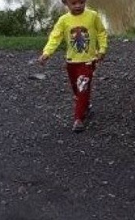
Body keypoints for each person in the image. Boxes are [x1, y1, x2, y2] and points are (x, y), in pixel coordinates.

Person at [39, 0, 107, 133]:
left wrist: (102, 49)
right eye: (74, 3)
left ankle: (78, 119)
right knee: (77, 89)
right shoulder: (64, 20)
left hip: (88, 61)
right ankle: (85, 107)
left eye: (81, 2)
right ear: (66, 3)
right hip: (71, 62)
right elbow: (55, 37)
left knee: (82, 87)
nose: (78, 6)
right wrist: (47, 53)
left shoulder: (92, 16)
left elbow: (101, 32)